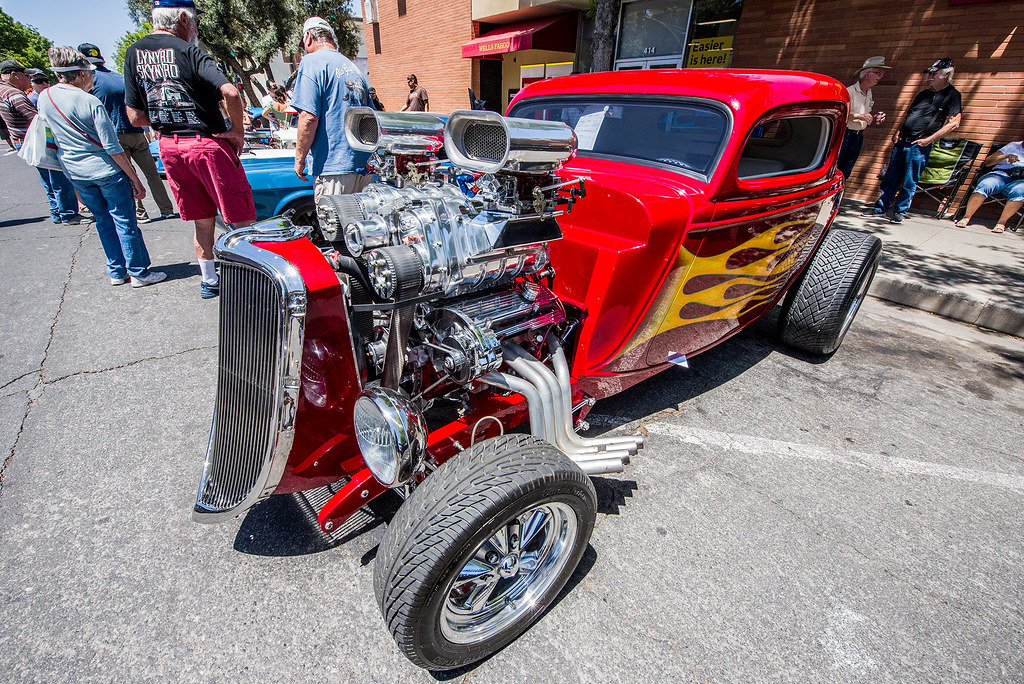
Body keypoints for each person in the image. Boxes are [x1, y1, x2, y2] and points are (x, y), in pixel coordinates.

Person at [123, 0, 255, 299]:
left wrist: (164, 120)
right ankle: (250, 281)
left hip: (170, 146)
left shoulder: (133, 53)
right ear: (183, 18)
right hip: (206, 143)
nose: (195, 26)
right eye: (194, 19)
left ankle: (209, 280)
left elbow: (135, 116)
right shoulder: (190, 51)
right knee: (240, 217)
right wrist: (237, 131)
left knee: (202, 219)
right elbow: (231, 92)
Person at [38, 47, 165, 287]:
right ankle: (139, 272)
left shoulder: (46, 97)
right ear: (81, 74)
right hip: (106, 171)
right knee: (125, 221)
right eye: (90, 73)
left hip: (76, 171)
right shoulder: (90, 101)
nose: (92, 78)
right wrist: (134, 178)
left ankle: (117, 271)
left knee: (103, 221)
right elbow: (112, 147)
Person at [78, 42, 178, 224]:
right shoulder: (119, 77)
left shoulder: (90, 82)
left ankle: (141, 213)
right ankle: (167, 209)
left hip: (114, 135)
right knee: (152, 173)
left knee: (129, 175)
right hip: (137, 132)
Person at [863, 58, 962, 224]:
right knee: (891, 177)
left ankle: (900, 212)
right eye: (929, 72)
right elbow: (908, 114)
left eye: (934, 73)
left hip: (919, 144)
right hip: (903, 141)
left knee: (909, 180)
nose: (930, 76)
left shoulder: (952, 95)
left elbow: (955, 123)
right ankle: (880, 208)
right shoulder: (923, 94)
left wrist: (929, 140)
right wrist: (897, 131)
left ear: (946, 75)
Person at [291, 16, 372, 199]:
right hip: (362, 167)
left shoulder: (311, 62)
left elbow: (308, 117)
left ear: (308, 37)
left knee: (334, 227)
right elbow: (371, 118)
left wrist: (299, 160)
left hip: (332, 168)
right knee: (362, 226)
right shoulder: (354, 68)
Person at [0, 59, 84, 224]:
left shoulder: (3, 91)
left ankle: (57, 212)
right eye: (26, 76)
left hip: (21, 138)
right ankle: (68, 213)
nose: (28, 80)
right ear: (14, 75)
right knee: (58, 175)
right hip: (35, 139)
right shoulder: (14, 94)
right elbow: (37, 118)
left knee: (47, 177)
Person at [954, 141, 1024, 234]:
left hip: (1019, 181)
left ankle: (1001, 222)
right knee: (987, 184)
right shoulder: (1013, 146)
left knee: (1020, 191)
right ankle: (966, 217)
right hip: (1000, 175)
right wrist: (1006, 156)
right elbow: (987, 162)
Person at [837, 56, 889, 180]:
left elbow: (865, 115)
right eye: (878, 72)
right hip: (846, 136)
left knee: (846, 171)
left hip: (858, 136)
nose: (880, 76)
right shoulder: (849, 92)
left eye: (882, 73)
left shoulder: (869, 92)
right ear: (867, 74)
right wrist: (861, 116)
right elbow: (840, 115)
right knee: (837, 169)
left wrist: (874, 117)